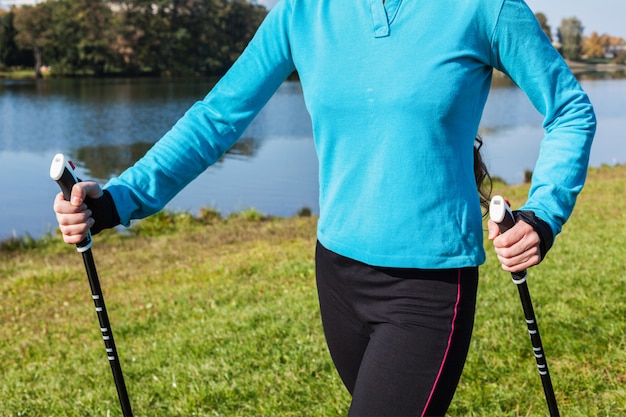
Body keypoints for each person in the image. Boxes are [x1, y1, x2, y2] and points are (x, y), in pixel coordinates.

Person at [53, 0, 596, 415]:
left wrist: (543, 215)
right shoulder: (305, 12)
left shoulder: (484, 8)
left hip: (428, 289)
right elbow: (216, 119)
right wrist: (120, 199)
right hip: (337, 274)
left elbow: (570, 109)